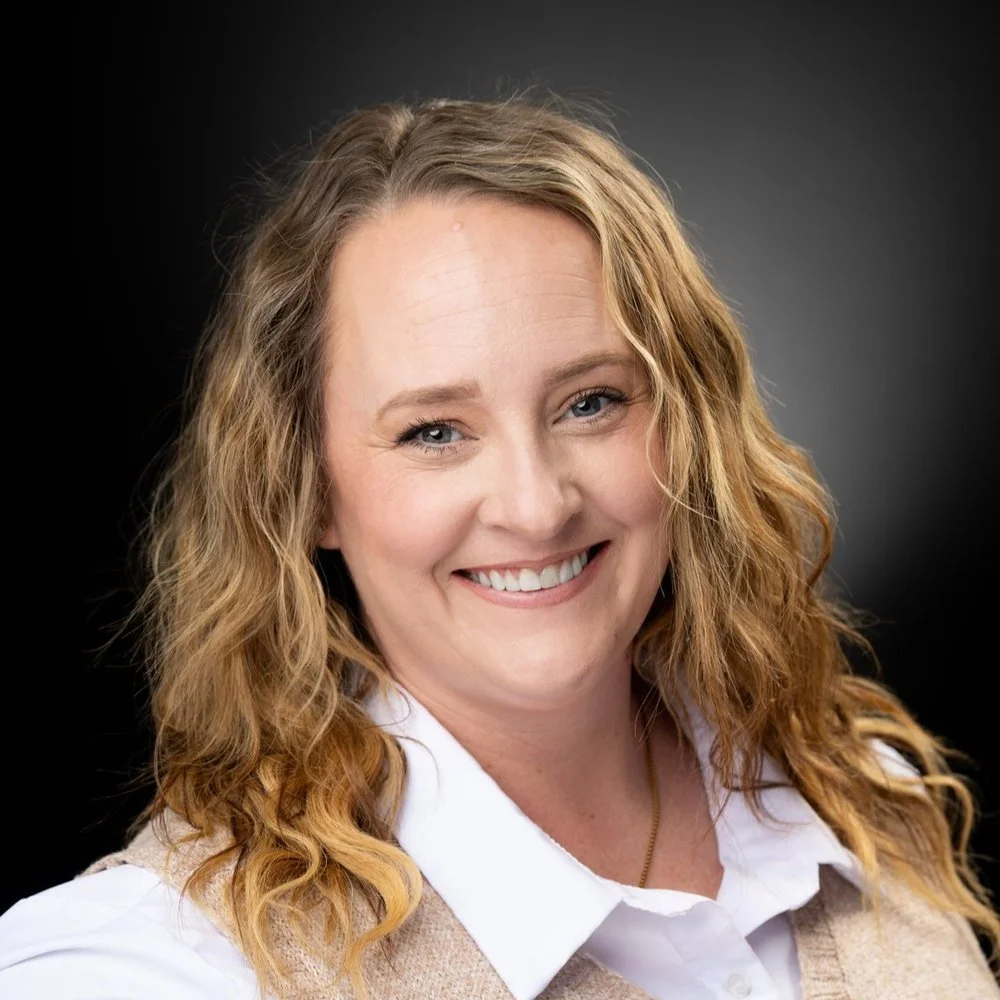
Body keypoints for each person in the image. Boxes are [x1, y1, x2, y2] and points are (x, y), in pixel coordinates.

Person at [1, 90, 997, 1000]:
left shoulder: (859, 790)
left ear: (684, 427)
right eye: (434, 430)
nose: (534, 505)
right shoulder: (155, 959)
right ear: (307, 492)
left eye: (591, 402)